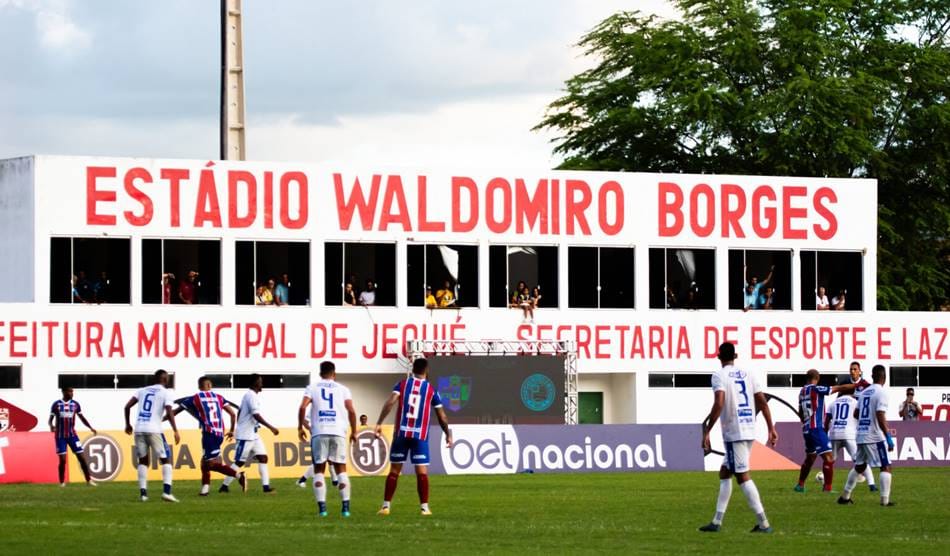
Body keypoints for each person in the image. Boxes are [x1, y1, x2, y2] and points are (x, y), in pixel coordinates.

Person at [699, 342, 777, 533]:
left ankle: (763, 522)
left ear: (719, 357)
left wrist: (707, 430)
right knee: (725, 472)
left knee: (742, 476)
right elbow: (762, 402)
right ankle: (716, 522)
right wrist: (770, 427)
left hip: (735, 431)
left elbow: (719, 403)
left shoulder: (719, 375)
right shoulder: (748, 373)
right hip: (749, 428)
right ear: (736, 356)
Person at [374, 357, 452, 516]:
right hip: (420, 436)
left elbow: (390, 403)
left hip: (401, 433)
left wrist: (379, 422)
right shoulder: (431, 390)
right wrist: (447, 433)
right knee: (422, 472)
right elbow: (442, 416)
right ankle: (424, 508)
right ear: (426, 371)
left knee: (394, 471)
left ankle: (385, 506)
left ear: (412, 369)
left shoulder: (402, 385)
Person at [298, 361, 358, 517]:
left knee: (319, 469)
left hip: (319, 432)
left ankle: (323, 510)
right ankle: (345, 509)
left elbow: (303, 407)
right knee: (341, 470)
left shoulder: (312, 387)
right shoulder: (343, 389)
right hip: (338, 432)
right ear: (334, 373)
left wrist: (299, 427)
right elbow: (351, 410)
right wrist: (354, 431)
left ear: (320, 373)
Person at [172, 377, 242, 496]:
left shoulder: (196, 398)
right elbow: (232, 414)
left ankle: (239, 476)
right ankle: (205, 489)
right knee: (204, 462)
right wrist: (231, 430)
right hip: (219, 433)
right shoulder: (219, 397)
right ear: (210, 385)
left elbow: (174, 412)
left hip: (209, 434)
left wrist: (161, 419)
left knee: (210, 464)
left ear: (199, 386)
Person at [838, 365, 895, 506]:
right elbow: (880, 414)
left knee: (860, 466)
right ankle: (884, 501)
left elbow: (856, 414)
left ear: (872, 375)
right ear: (884, 377)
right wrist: (887, 436)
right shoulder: (882, 393)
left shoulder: (864, 392)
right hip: (874, 436)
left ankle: (845, 497)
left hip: (861, 434)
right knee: (885, 466)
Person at [123, 369, 180, 502]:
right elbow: (169, 411)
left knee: (143, 461)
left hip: (139, 429)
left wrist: (127, 424)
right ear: (165, 380)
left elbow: (127, 407)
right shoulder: (166, 393)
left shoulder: (142, 390)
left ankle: (143, 494)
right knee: (166, 460)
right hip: (154, 429)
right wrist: (175, 430)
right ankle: (167, 492)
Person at [220, 374, 279, 493]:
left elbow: (240, 413)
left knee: (263, 457)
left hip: (253, 434)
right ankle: (224, 486)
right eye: (260, 382)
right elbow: (256, 415)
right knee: (240, 462)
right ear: (254, 383)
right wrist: (271, 427)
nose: (262, 384)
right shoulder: (250, 396)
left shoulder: (251, 396)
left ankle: (266, 487)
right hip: (245, 435)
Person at [825, 391, 877, 492]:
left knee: (830, 461)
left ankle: (825, 483)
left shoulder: (833, 403)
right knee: (860, 460)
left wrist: (824, 435)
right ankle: (872, 484)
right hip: (849, 434)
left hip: (834, 433)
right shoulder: (855, 402)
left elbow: (827, 421)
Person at [49, 387, 97, 487]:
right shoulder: (56, 404)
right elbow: (50, 419)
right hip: (60, 436)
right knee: (62, 460)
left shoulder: (75, 404)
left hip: (72, 436)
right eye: (69, 391)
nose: (71, 393)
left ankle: (89, 480)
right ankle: (62, 482)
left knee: (82, 458)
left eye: (72, 391)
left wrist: (90, 427)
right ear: (63, 392)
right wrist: (51, 426)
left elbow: (82, 417)